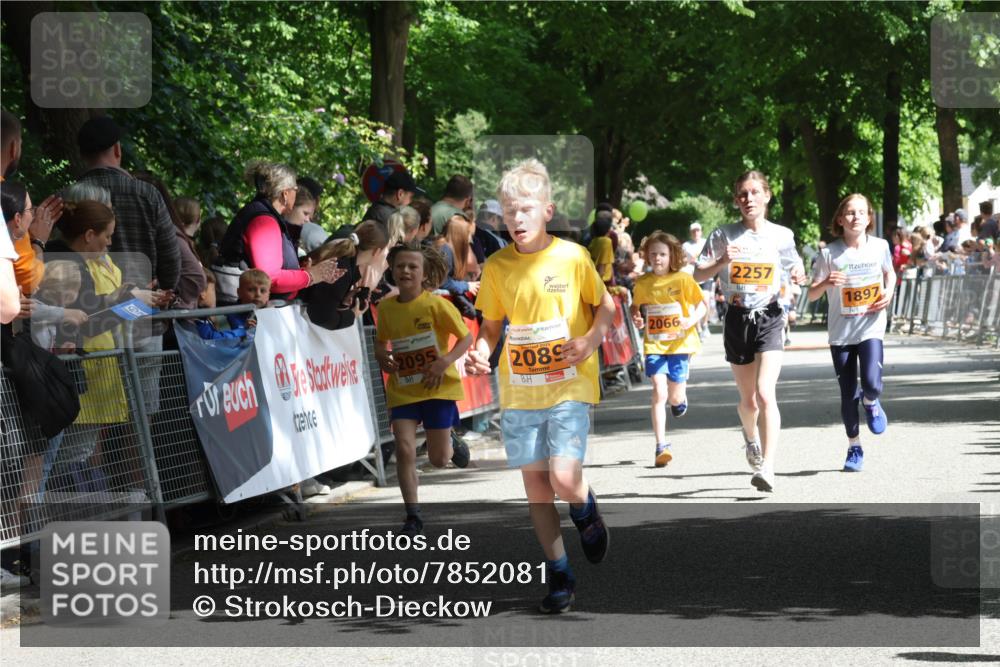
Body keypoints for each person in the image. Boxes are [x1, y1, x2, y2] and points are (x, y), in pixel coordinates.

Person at [465, 158, 614, 614]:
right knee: (536, 489)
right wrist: (480, 351)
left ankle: (584, 506)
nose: (517, 219)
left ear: (547, 210)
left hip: (568, 383)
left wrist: (589, 340)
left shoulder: (572, 257)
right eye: (509, 211)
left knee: (564, 480)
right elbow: (491, 326)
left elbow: (605, 307)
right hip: (521, 388)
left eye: (526, 209)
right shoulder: (497, 265)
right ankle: (559, 573)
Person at [694, 170, 805, 493]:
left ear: (767, 196)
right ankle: (750, 437)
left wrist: (798, 271)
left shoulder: (782, 235)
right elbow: (697, 276)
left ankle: (768, 468)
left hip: (770, 315)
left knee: (765, 393)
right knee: (748, 401)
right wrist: (720, 263)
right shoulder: (723, 235)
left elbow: (793, 264)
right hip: (737, 317)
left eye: (755, 192)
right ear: (735, 200)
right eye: (743, 194)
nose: (749, 199)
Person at [374, 243, 473, 535]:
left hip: (435, 387)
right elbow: (381, 341)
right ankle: (412, 516)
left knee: (438, 460)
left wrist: (444, 362)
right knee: (404, 449)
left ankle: (451, 440)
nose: (405, 270)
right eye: (400, 265)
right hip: (404, 388)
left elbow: (465, 339)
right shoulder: (387, 307)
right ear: (392, 269)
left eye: (412, 266)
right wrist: (381, 354)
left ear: (424, 273)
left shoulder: (437, 305)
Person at [808, 194, 894, 472]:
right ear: (840, 219)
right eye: (849, 212)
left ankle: (871, 401)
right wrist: (825, 282)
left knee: (872, 383)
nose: (855, 217)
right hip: (841, 333)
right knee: (847, 393)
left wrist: (889, 292)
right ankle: (854, 447)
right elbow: (810, 294)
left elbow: (889, 274)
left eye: (861, 212)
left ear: (869, 218)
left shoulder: (880, 246)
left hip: (870, 326)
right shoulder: (829, 254)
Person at [214, 161, 341, 303]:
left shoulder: (264, 214)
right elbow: (270, 278)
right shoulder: (264, 220)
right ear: (285, 194)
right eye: (295, 189)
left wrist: (301, 272)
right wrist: (311, 276)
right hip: (243, 310)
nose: (297, 192)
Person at [630, 231, 705, 467]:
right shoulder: (643, 283)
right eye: (653, 254)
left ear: (671, 255)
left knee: (674, 396)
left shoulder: (682, 279)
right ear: (646, 257)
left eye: (662, 254)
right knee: (659, 392)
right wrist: (637, 318)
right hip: (654, 344)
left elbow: (702, 305)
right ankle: (661, 445)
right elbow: (635, 307)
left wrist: (690, 320)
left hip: (680, 344)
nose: (658, 259)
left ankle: (679, 401)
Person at [302, 221, 390, 331]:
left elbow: (321, 296)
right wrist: (352, 314)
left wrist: (343, 302)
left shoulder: (344, 258)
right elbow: (321, 317)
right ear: (377, 251)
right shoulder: (344, 269)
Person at [196, 269, 269, 340]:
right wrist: (243, 330)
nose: (258, 294)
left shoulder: (273, 314)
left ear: (269, 294)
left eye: (263, 291)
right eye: (251, 290)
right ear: (239, 292)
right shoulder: (228, 316)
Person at [682, 222, 714, 337]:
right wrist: (689, 260)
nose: (696, 233)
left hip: (706, 275)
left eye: (698, 230)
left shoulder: (706, 242)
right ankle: (699, 329)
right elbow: (682, 260)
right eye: (693, 231)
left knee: (706, 300)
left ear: (701, 231)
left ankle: (705, 324)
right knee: (696, 303)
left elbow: (712, 257)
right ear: (691, 233)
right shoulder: (686, 245)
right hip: (692, 276)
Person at [587, 210, 615, 286]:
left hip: (592, 277)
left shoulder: (593, 241)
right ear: (608, 231)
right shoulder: (606, 242)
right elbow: (602, 265)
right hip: (601, 281)